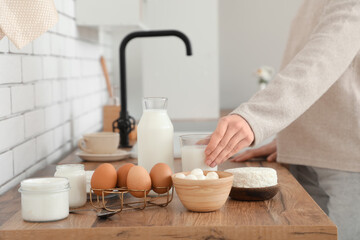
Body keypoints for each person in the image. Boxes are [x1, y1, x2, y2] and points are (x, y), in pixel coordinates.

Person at [204, 1, 360, 240]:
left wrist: (255, 117)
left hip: (346, 162)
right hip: (307, 153)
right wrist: (295, 136)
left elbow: (322, 59)